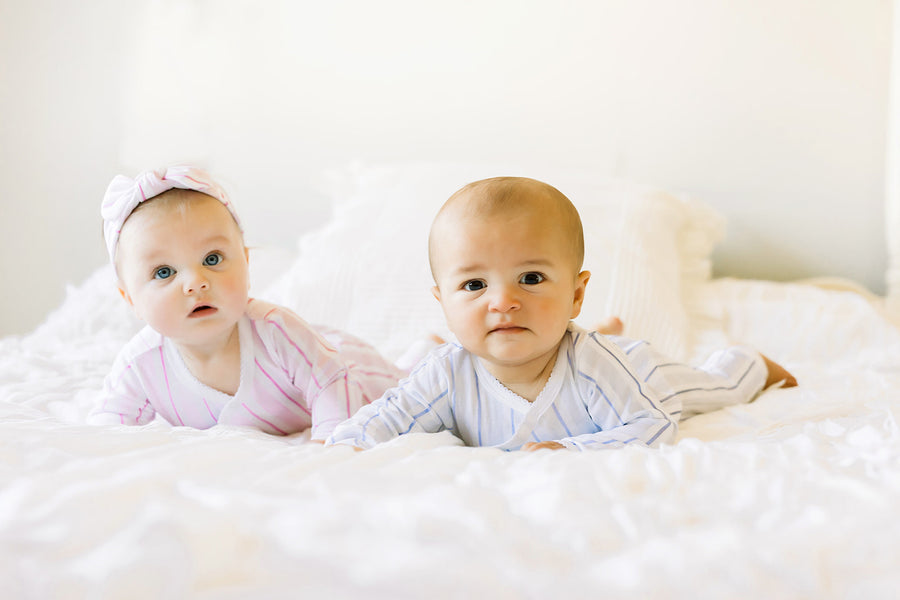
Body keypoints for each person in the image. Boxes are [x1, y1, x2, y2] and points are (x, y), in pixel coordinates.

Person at [326, 176, 797, 451]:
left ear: (576, 295)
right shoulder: (446, 372)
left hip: (642, 373)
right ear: (442, 305)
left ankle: (748, 360)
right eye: (474, 285)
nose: (503, 302)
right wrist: (346, 442)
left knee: (716, 389)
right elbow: (391, 414)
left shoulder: (595, 368)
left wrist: (569, 448)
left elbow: (653, 423)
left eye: (530, 279)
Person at [89, 166, 414, 439]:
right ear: (129, 298)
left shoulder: (276, 331)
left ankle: (422, 352)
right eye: (164, 272)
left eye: (212, 258)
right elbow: (107, 432)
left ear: (245, 263)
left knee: (407, 383)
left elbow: (333, 381)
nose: (196, 282)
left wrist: (330, 446)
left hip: (350, 369)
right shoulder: (141, 365)